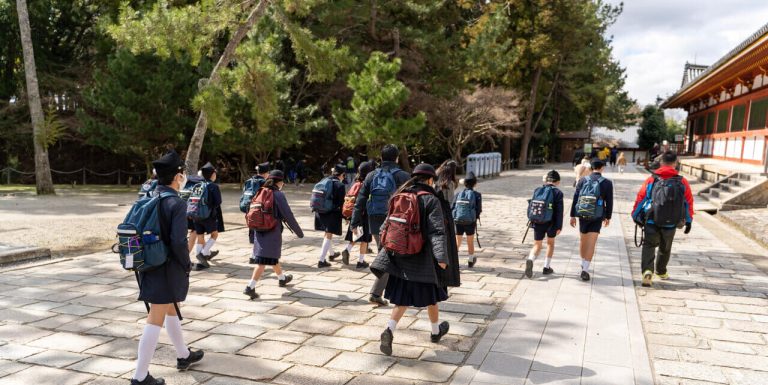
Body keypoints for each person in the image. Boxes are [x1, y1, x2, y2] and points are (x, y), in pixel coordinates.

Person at [131, 150, 203, 385]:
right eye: (182, 173)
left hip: (148, 262)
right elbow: (178, 241)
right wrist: (186, 263)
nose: (183, 176)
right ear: (177, 176)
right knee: (156, 315)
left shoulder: (148, 197)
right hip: (167, 265)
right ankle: (140, 376)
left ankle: (183, 354)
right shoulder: (176, 203)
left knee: (172, 306)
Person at [371, 163, 452, 356]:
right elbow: (437, 231)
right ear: (430, 179)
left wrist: (385, 251)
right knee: (432, 297)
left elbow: (385, 227)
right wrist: (441, 257)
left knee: (402, 300)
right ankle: (435, 332)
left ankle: (389, 330)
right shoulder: (430, 200)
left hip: (400, 257)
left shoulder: (399, 195)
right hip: (422, 259)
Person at [351, 144, 410, 306]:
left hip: (375, 218)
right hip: (395, 220)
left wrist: (354, 222)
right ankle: (379, 293)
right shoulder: (403, 176)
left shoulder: (371, 175)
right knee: (390, 255)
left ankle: (379, 292)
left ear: (381, 158)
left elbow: (360, 199)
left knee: (385, 252)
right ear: (397, 158)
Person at [631, 151, 693, 288]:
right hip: (671, 222)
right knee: (665, 248)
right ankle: (661, 271)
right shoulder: (682, 181)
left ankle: (647, 271)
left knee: (649, 245)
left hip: (652, 219)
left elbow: (642, 197)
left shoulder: (652, 179)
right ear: (675, 163)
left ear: (661, 162)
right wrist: (689, 220)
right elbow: (688, 202)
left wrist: (635, 214)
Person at [244, 170, 304, 299]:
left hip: (258, 230)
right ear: (280, 182)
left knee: (271, 257)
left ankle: (282, 279)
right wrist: (299, 232)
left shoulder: (260, 191)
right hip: (272, 230)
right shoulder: (277, 194)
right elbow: (288, 215)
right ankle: (250, 287)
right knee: (262, 260)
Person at [570, 159, 613, 282]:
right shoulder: (607, 183)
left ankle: (583, 263)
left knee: (583, 241)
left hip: (583, 214)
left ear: (591, 168)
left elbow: (576, 198)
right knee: (591, 243)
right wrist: (608, 217)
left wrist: (572, 215)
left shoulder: (583, 180)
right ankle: (585, 269)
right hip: (597, 216)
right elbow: (609, 202)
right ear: (602, 168)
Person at [525, 170, 564, 278]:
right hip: (551, 223)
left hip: (537, 221)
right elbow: (559, 212)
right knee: (550, 243)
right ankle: (546, 267)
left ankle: (530, 259)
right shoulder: (558, 193)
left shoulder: (538, 190)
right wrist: (559, 226)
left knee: (537, 244)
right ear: (558, 182)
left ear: (546, 180)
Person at [342, 161, 376, 268]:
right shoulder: (365, 185)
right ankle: (361, 262)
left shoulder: (355, 182)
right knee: (365, 239)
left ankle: (347, 249)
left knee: (356, 235)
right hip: (364, 214)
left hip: (354, 214)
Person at [314, 164, 346, 268]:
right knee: (329, 234)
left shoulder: (324, 180)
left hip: (319, 211)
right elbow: (341, 203)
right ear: (342, 175)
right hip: (332, 213)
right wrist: (346, 217)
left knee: (327, 233)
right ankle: (321, 260)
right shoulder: (340, 186)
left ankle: (332, 254)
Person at [193, 162, 224, 270]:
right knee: (214, 234)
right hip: (208, 215)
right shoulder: (213, 186)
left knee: (200, 237)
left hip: (195, 215)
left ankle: (199, 263)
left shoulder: (197, 184)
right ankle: (203, 253)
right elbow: (218, 202)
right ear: (212, 174)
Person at [453, 172, 482, 267]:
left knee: (458, 241)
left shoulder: (458, 194)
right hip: (470, 221)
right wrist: (475, 217)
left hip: (458, 220)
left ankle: (453, 261)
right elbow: (479, 209)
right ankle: (470, 260)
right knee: (470, 241)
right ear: (474, 183)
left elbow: (453, 207)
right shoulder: (477, 194)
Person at [244, 162, 271, 247]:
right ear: (266, 173)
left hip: (249, 207)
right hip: (259, 209)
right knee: (259, 229)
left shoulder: (250, 180)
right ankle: (255, 254)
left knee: (252, 226)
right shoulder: (264, 182)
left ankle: (253, 246)